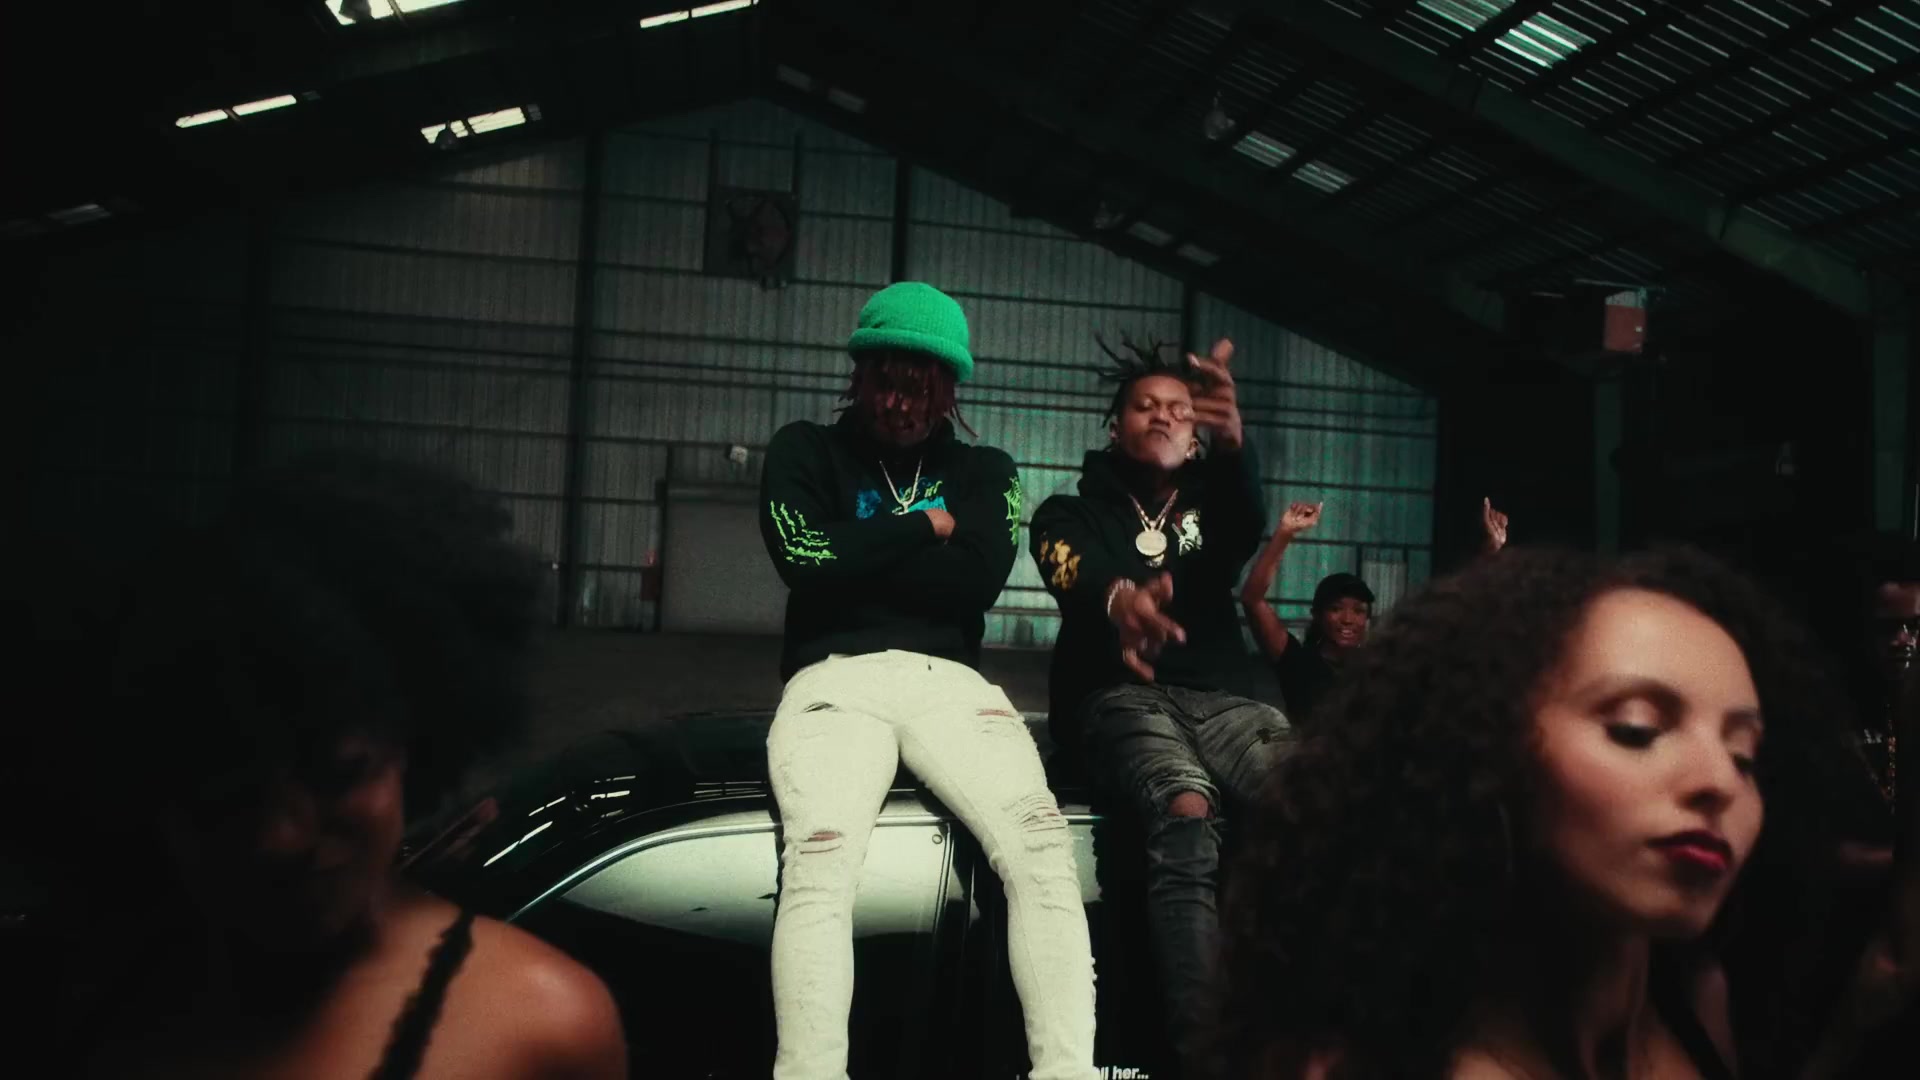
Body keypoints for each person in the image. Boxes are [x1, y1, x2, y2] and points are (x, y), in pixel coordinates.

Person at [26, 454, 627, 1079]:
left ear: (414, 743)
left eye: (338, 774)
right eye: (224, 794)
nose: (279, 837)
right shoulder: (59, 1002)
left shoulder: (542, 1029)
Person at [1216, 546, 1917, 1079]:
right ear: (1486, 750)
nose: (1718, 783)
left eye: (1745, 756)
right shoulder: (1367, 1062)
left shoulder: (1702, 1005)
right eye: (1638, 729)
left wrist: (1851, 1029)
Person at [757, 281, 1096, 1080]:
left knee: (1040, 849)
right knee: (819, 859)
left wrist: (859, 554)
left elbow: (974, 581)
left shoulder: (986, 470)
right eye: (887, 383)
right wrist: (921, 526)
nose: (901, 405)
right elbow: (803, 557)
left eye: (921, 388)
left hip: (951, 684)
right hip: (833, 681)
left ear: (950, 389)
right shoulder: (804, 449)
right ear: (860, 375)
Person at [1030, 333, 1285, 1077]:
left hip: (1223, 701)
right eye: (1146, 406)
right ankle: (1205, 1053)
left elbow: (1246, 521)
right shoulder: (1068, 512)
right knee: (1184, 803)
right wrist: (1121, 601)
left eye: (1180, 407)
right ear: (1116, 428)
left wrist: (1236, 447)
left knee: (1324, 798)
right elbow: (1068, 566)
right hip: (1118, 698)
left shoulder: (1214, 506)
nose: (1165, 415)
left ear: (1197, 431)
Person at [1238, 501, 1371, 726]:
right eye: (1336, 609)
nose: (1348, 619)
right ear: (1317, 614)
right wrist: (1285, 532)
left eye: (1358, 611)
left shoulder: (1376, 670)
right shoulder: (1299, 663)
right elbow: (1252, 599)